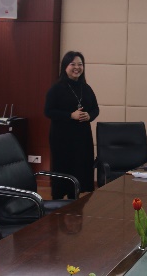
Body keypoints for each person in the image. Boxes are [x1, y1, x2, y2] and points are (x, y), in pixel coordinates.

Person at [45, 51, 99, 199]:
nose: (77, 67)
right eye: (73, 64)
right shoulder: (56, 88)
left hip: (82, 137)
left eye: (80, 64)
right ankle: (58, 201)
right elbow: (48, 111)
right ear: (65, 67)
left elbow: (95, 109)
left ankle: (74, 198)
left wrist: (89, 116)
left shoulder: (86, 88)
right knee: (63, 169)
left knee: (80, 168)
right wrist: (70, 115)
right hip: (62, 138)